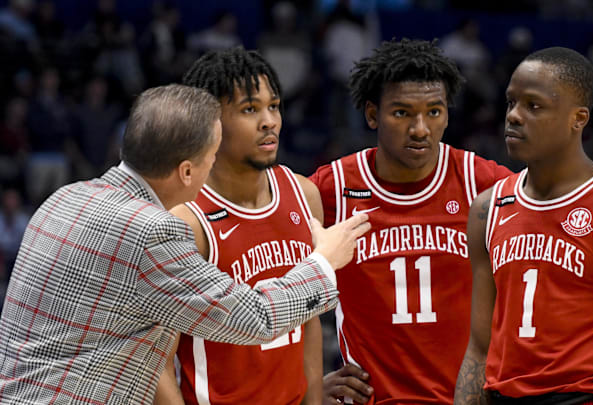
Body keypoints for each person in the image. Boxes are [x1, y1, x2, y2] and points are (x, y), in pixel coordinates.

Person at [0, 84, 370, 404]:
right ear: (187, 171)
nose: (212, 171)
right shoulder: (151, 231)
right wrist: (323, 261)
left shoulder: (65, 198)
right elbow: (254, 319)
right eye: (211, 159)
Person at [454, 47, 593, 404]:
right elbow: (478, 349)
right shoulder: (487, 208)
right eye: (511, 103)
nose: (514, 116)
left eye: (533, 106)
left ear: (578, 118)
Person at [311, 38, 512, 404]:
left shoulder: (481, 183)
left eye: (434, 112)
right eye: (402, 113)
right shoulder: (333, 188)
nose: (420, 129)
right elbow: (272, 275)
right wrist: (305, 382)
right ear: (372, 115)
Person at [152, 47, 326, 404]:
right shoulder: (184, 221)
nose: (269, 121)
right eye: (250, 109)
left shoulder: (304, 195)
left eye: (274, 106)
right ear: (208, 123)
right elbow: (154, 362)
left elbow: (309, 324)